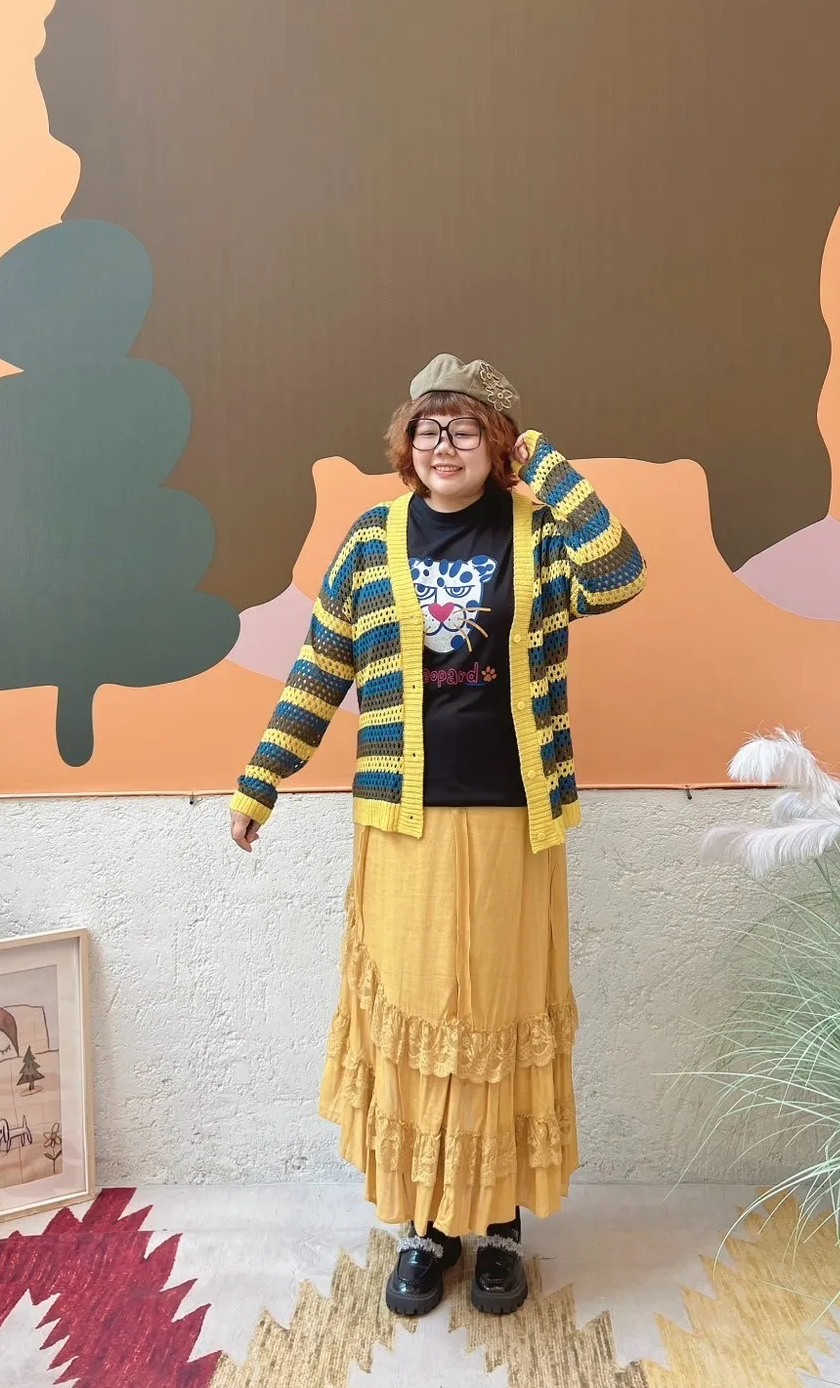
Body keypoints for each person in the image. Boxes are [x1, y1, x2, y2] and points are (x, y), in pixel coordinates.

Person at [230, 354, 645, 1317]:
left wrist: (542, 460)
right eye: (426, 428)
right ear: (405, 443)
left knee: (498, 1016)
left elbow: (620, 573)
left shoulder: (538, 532)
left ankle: (498, 1224)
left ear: (496, 442)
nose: (442, 446)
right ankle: (425, 1226)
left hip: (513, 818)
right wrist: (263, 779)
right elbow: (320, 668)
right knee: (418, 1019)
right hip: (403, 821)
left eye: (463, 428)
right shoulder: (370, 542)